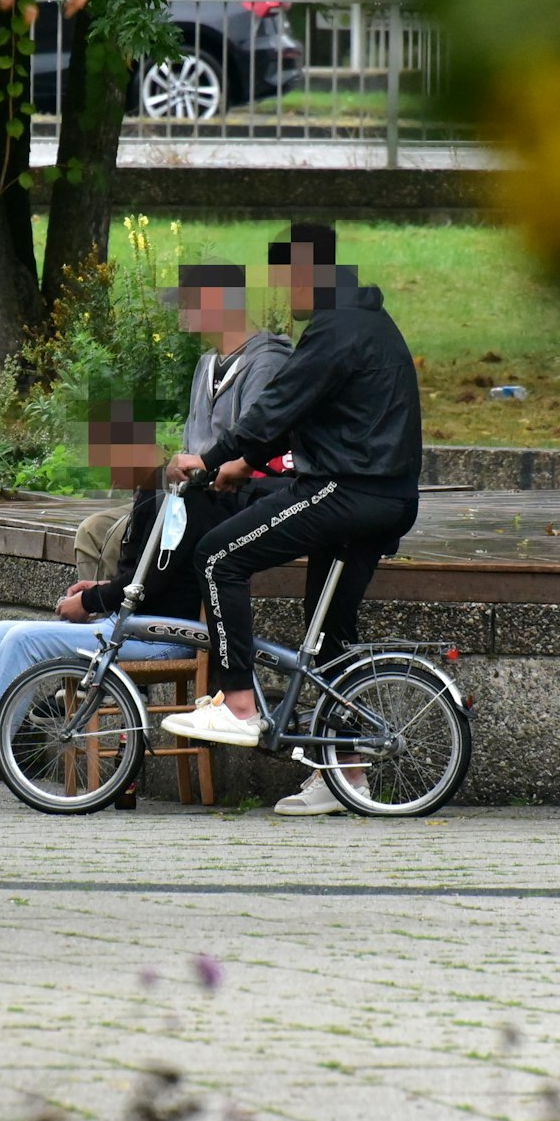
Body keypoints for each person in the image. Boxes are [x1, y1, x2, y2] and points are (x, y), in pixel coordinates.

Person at [163, 223, 423, 814]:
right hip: (386, 496)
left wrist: (209, 459)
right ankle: (345, 775)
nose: (285, 295)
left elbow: (277, 406)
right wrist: (243, 464)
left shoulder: (335, 328)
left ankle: (236, 702)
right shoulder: (366, 321)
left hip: (345, 489)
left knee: (218, 557)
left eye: (286, 280)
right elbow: (296, 414)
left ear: (308, 273)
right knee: (329, 631)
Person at [0, 393, 204, 808]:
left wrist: (91, 600)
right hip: (129, 624)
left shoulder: (172, 498)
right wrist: (96, 589)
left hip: (164, 634)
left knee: (23, 640)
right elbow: (141, 577)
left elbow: (155, 583)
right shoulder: (149, 491)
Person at [73, 261, 292, 582]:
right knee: (94, 530)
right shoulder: (206, 363)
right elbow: (194, 445)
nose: (181, 313)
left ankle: (118, 618)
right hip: (190, 494)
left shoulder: (268, 363)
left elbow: (253, 448)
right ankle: (102, 623)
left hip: (230, 499)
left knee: (111, 537)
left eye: (188, 304)